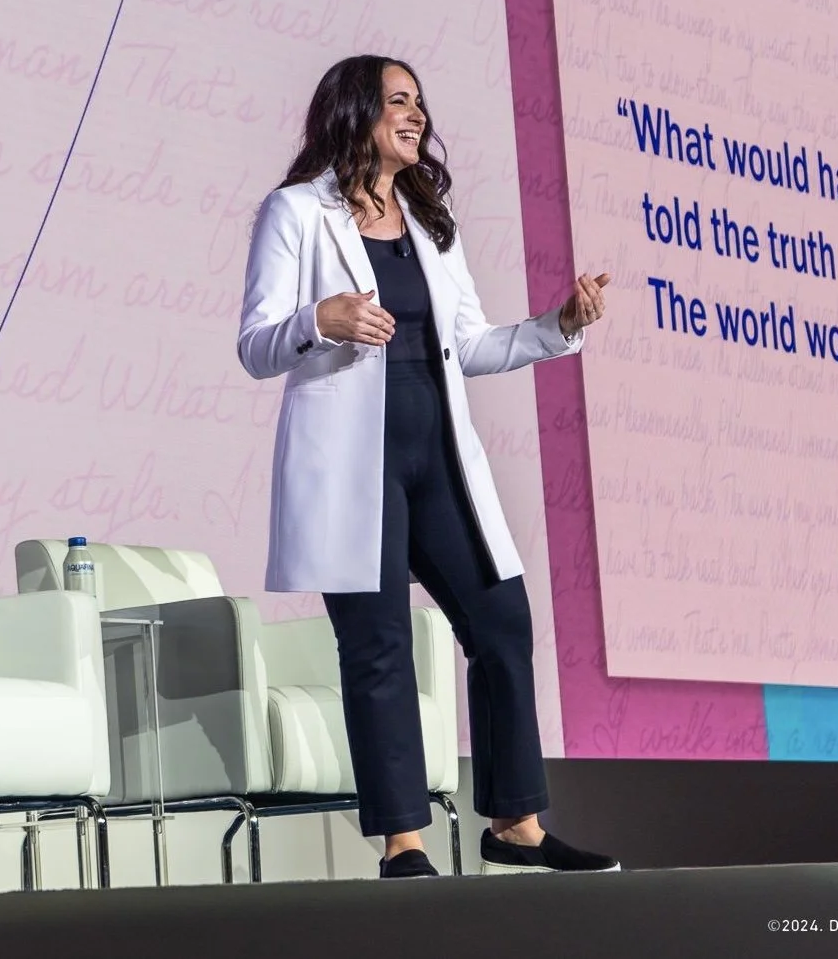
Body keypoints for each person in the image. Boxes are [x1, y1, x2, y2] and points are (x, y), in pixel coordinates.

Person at [237, 54, 614, 878]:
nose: (415, 114)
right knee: (377, 646)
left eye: (418, 102)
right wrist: (319, 317)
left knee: (501, 621)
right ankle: (403, 842)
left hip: (438, 457)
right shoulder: (296, 212)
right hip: (353, 466)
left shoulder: (429, 221)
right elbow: (255, 346)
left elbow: (470, 345)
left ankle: (515, 824)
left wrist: (556, 324)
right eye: (397, 100)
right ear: (355, 110)